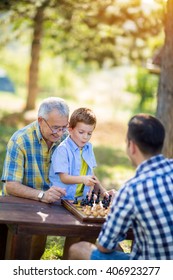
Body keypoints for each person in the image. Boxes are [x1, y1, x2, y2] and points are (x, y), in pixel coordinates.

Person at [68, 113, 173, 260]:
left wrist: (121, 203)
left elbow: (104, 246)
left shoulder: (132, 190)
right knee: (119, 247)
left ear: (132, 146)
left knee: (78, 250)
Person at [1, 96, 69, 259]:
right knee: (16, 253)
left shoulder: (65, 138)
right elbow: (11, 185)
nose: (59, 133)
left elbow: (83, 169)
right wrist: (41, 195)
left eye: (63, 127)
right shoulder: (20, 140)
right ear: (40, 120)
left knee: (35, 254)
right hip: (20, 203)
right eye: (55, 128)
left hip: (49, 204)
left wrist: (100, 190)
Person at [49, 107, 108, 200]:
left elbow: (90, 174)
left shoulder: (88, 148)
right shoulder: (63, 150)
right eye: (81, 132)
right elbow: (64, 178)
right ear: (70, 129)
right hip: (61, 199)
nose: (85, 137)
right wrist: (83, 179)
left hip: (80, 199)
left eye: (89, 133)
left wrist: (100, 191)